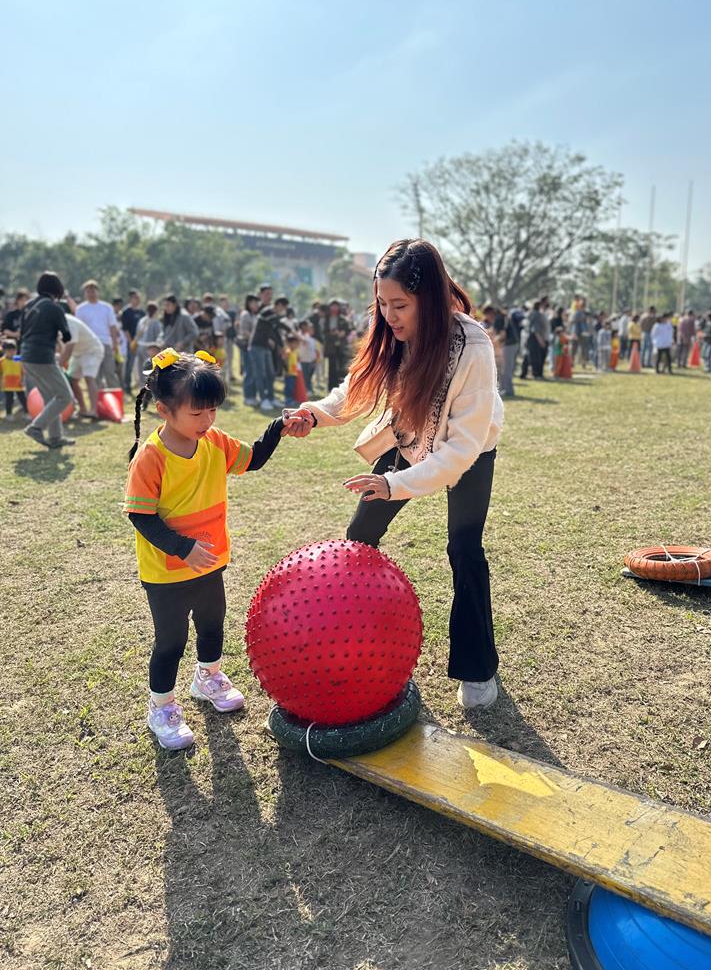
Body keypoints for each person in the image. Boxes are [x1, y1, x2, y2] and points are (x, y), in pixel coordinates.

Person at [287, 239, 504, 710]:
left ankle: (478, 669)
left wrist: (394, 484)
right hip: (408, 435)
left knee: (464, 548)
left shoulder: (473, 347)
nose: (389, 315)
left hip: (467, 451)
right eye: (382, 304)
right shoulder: (391, 334)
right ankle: (355, 642)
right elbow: (355, 390)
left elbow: (460, 450)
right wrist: (313, 414)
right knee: (360, 534)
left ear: (429, 298)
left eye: (400, 305)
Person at [123, 347, 307, 749]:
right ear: (164, 410)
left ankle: (207, 679)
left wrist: (278, 426)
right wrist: (182, 547)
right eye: (197, 413)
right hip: (166, 572)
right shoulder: (151, 457)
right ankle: (161, 707)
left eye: (212, 411)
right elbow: (140, 515)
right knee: (170, 642)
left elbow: (253, 459)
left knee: (212, 624)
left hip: (210, 562)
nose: (207, 421)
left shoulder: (214, 441)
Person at [19, 271, 75, 449]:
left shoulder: (28, 305)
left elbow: (22, 332)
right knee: (65, 396)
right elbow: (67, 336)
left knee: (51, 397)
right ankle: (36, 427)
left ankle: (55, 437)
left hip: (26, 356)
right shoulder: (53, 307)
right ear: (57, 288)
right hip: (42, 357)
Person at [58, 311, 104, 418]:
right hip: (78, 353)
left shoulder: (70, 323)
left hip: (91, 350)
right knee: (72, 380)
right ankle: (83, 409)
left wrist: (59, 365)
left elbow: (69, 349)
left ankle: (93, 411)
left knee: (89, 378)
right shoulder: (57, 323)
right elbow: (60, 345)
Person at [76, 280, 120, 387]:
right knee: (95, 375)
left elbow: (113, 327)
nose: (91, 294)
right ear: (85, 294)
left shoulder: (107, 307)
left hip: (105, 343)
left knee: (110, 372)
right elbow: (79, 328)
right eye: (88, 291)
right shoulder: (80, 309)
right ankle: (99, 395)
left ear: (98, 292)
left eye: (93, 291)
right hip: (90, 345)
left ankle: (115, 394)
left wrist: (115, 344)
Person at [323, 299, 351, 392]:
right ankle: (331, 387)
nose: (334, 308)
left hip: (341, 346)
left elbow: (348, 329)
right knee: (331, 367)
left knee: (342, 367)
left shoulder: (343, 319)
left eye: (336, 306)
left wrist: (343, 333)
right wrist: (331, 334)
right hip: (330, 346)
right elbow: (323, 332)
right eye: (333, 306)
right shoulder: (326, 319)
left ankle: (341, 387)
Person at [120, 290, 145, 393]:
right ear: (131, 299)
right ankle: (127, 386)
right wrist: (131, 342)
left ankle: (143, 386)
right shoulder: (126, 312)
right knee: (129, 364)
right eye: (135, 298)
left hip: (141, 342)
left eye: (138, 298)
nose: (137, 300)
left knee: (142, 364)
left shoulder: (142, 312)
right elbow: (125, 329)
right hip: (131, 342)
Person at [134, 302, 163, 383]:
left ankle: (141, 385)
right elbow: (159, 336)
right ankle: (149, 385)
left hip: (140, 346)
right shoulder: (156, 322)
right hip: (151, 348)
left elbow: (137, 334)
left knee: (141, 368)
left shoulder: (141, 321)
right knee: (149, 368)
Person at [500, 305, 523, 397]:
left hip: (509, 345)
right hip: (513, 345)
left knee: (506, 369)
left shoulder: (505, 320)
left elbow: (503, 335)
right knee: (508, 368)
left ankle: (509, 390)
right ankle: (504, 389)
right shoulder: (509, 318)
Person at [1, 339, 26, 418]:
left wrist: (23, 380)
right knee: (9, 400)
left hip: (18, 383)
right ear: (4, 351)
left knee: (23, 399)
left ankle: (26, 412)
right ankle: (9, 414)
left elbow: (23, 371)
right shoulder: (2, 361)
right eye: (9, 351)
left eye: (13, 350)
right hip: (7, 384)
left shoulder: (18, 359)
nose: (12, 352)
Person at [297, 319, 320, 394]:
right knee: (305, 375)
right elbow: (303, 342)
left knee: (309, 375)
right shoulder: (299, 335)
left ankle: (309, 388)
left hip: (311, 359)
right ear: (303, 326)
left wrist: (315, 358)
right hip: (303, 359)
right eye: (308, 326)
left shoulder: (310, 337)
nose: (309, 329)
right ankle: (306, 389)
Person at [283, 333, 300, 406]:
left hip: (294, 373)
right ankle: (288, 400)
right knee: (289, 387)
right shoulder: (288, 351)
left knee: (292, 387)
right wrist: (286, 370)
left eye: (296, 344)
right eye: (294, 343)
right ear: (289, 344)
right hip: (289, 373)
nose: (296, 345)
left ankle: (291, 399)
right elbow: (284, 360)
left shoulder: (295, 352)